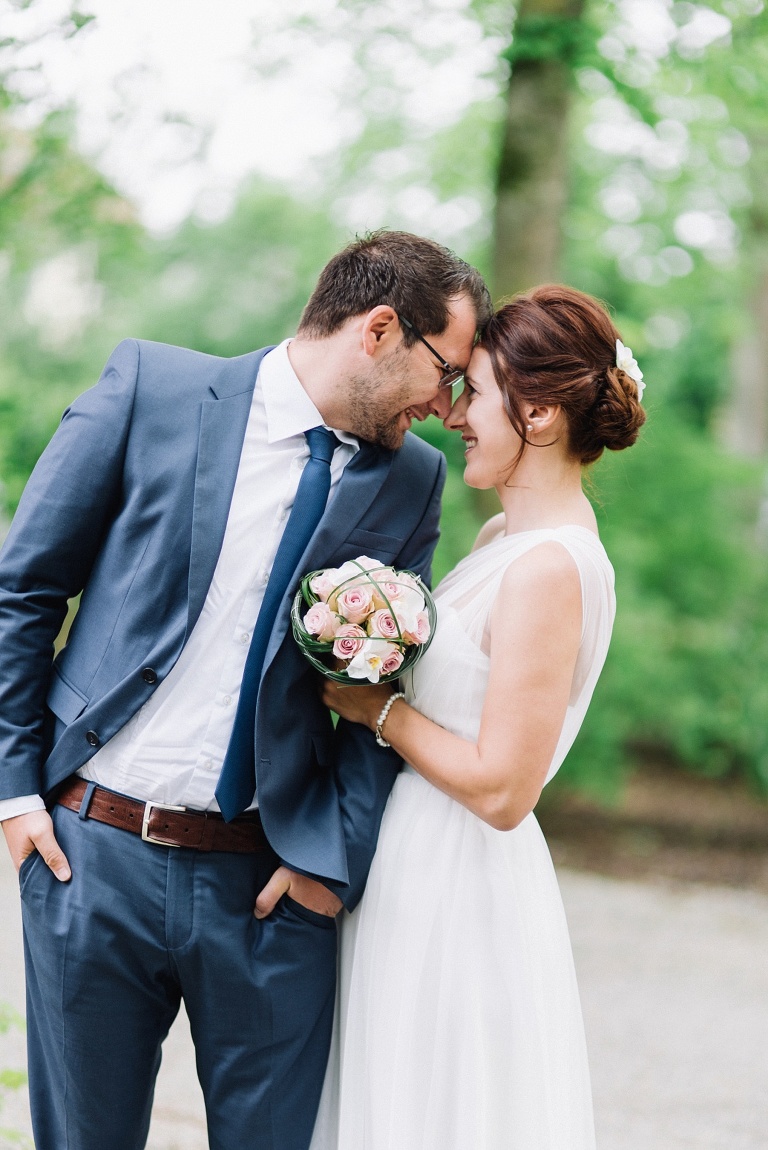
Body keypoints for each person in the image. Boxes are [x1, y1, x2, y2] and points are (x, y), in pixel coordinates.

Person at [0, 230, 491, 1150]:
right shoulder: (153, 392)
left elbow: (381, 686)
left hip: (270, 889)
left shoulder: (412, 484)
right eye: (448, 372)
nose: (449, 406)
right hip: (91, 858)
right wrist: (16, 793)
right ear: (381, 329)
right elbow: (22, 591)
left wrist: (328, 864)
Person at [310, 285, 647, 1150]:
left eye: (477, 393)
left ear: (537, 413)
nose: (454, 415)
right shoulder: (505, 538)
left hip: (459, 881)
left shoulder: (553, 569)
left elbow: (503, 788)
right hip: (410, 862)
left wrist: (374, 708)